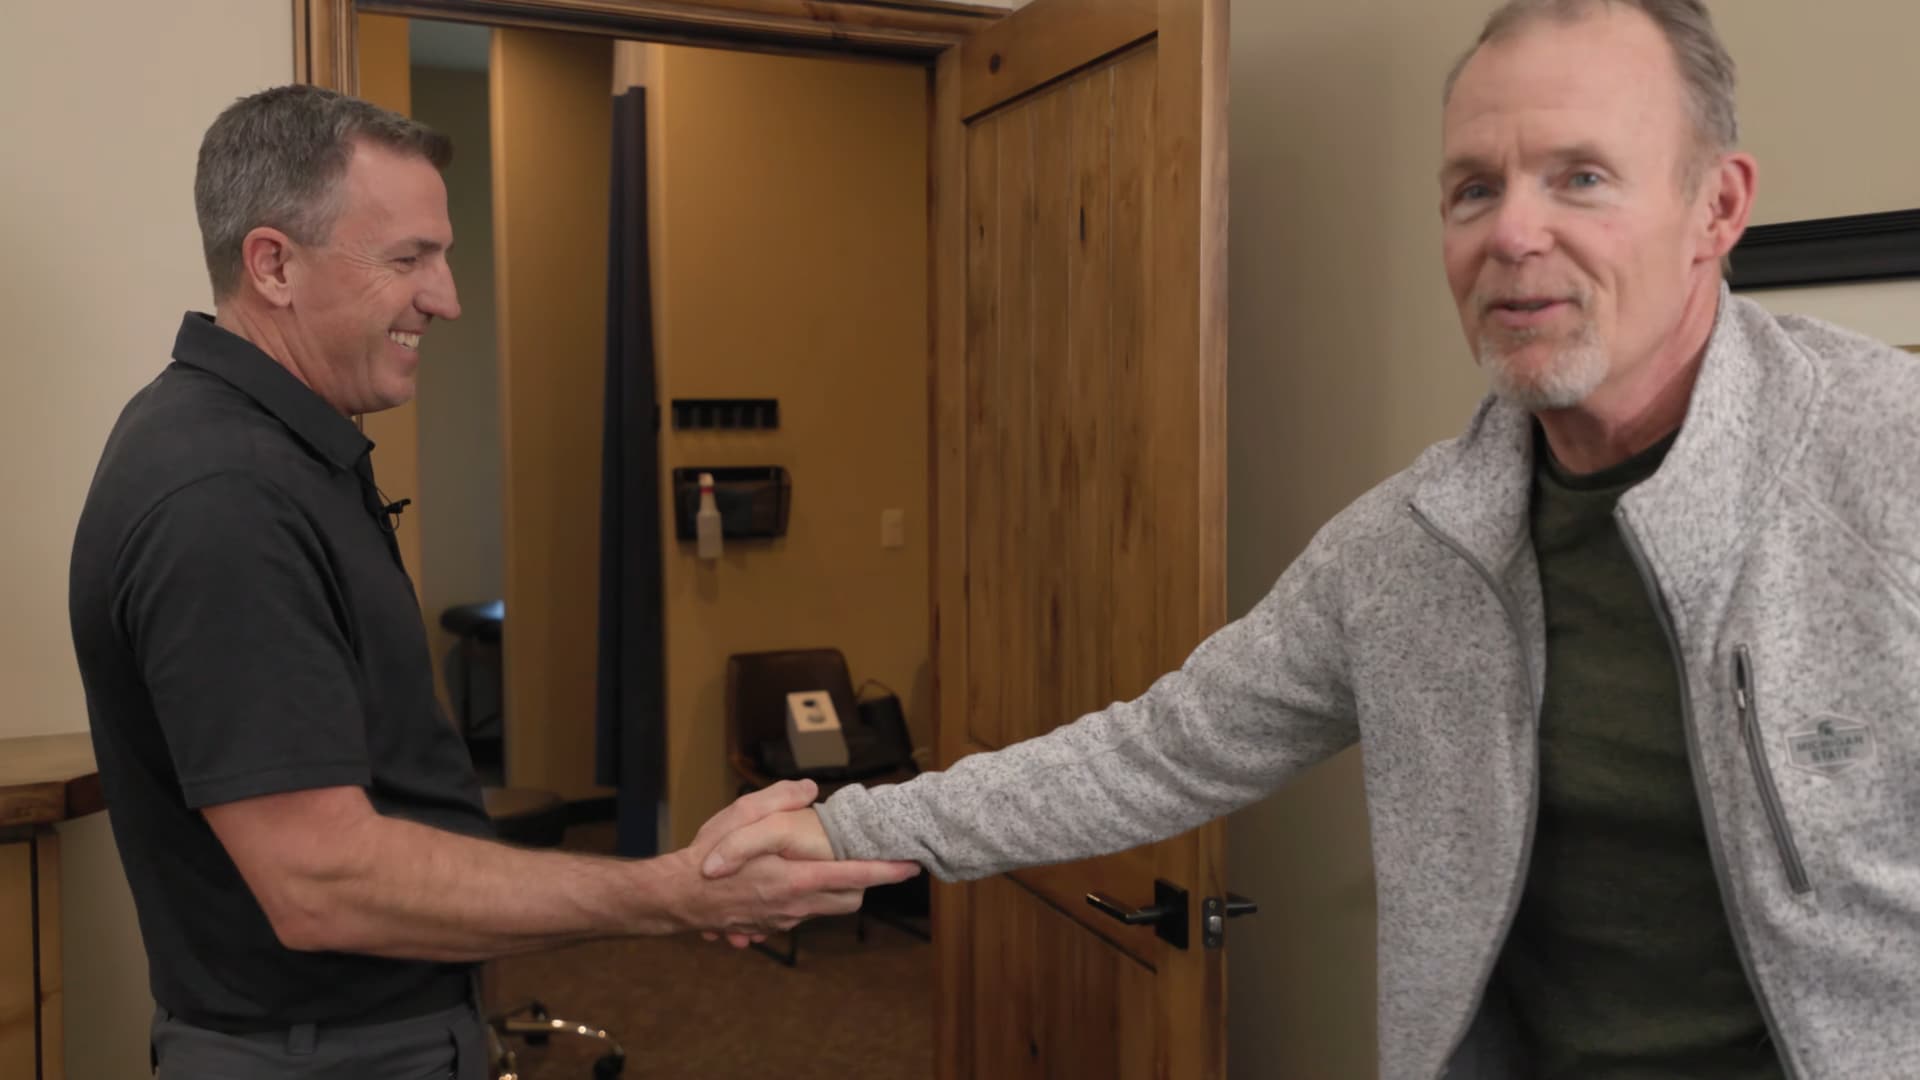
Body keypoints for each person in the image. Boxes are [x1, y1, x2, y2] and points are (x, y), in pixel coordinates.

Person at [702, 2, 1920, 1077]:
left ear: (1718, 206)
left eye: (1582, 178)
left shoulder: (1889, 464)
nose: (1512, 235)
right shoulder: (1406, 549)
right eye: (1472, 188)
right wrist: (853, 827)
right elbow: (1159, 751)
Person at [68, 84, 917, 1080]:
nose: (448, 297)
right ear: (273, 265)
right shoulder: (224, 496)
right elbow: (321, 882)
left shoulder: (276, 451)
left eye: (444, 254)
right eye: (409, 259)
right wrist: (674, 892)